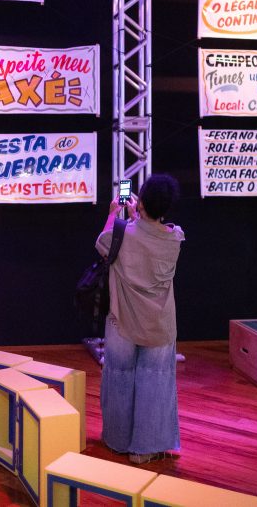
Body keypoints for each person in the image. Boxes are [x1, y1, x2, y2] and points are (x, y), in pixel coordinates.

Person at [95, 173, 185, 465]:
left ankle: (118, 441)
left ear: (141, 201)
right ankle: (145, 449)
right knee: (155, 383)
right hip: (159, 325)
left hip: (122, 321)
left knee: (119, 378)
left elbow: (102, 243)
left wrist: (115, 214)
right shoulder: (175, 238)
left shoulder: (122, 233)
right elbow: (151, 236)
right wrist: (141, 216)